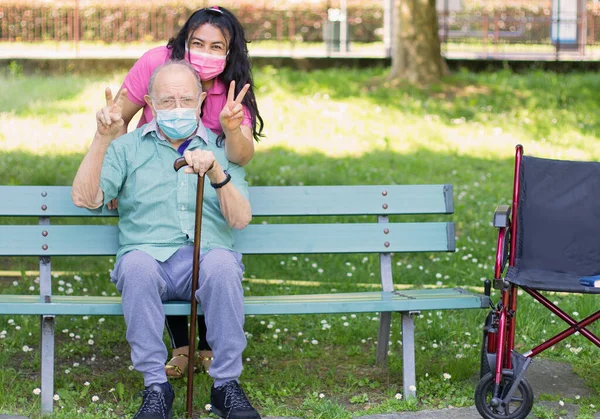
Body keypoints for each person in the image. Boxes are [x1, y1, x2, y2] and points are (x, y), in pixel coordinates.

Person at [71, 61, 260, 419]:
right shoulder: (127, 148)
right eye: (167, 101)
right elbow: (87, 198)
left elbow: (241, 219)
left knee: (222, 264)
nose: (177, 108)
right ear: (150, 103)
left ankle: (226, 387)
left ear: (202, 100)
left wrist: (217, 172)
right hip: (148, 258)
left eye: (186, 99)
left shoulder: (222, 147)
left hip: (204, 260)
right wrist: (102, 138)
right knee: (136, 266)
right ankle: (156, 387)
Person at [114, 5, 264, 378]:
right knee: (164, 236)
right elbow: (120, 114)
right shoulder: (155, 63)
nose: (207, 53)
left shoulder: (230, 82)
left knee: (207, 246)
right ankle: (182, 347)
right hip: (159, 160)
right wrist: (118, 174)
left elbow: (240, 155)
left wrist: (230, 130)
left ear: (230, 52)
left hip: (210, 164)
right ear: (184, 41)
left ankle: (209, 349)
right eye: (198, 43)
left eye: (218, 46)